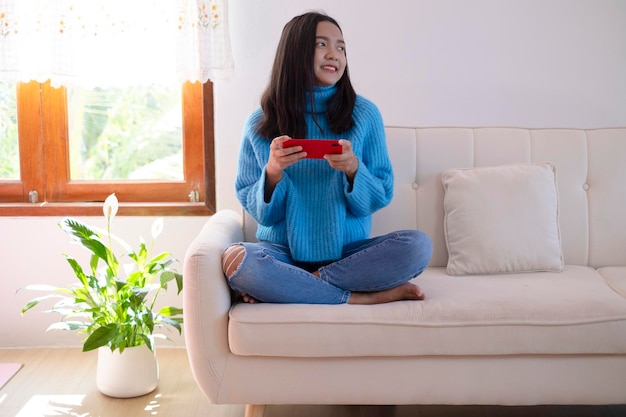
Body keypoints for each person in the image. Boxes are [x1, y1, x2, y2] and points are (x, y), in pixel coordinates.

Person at [222, 11, 432, 304]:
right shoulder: (261, 122)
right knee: (237, 259)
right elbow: (262, 213)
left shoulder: (364, 115)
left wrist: (353, 170)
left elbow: (381, 194)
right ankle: (359, 298)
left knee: (418, 246)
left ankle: (301, 287)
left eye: (341, 47)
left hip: (348, 254)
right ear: (295, 52)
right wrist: (272, 173)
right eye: (322, 44)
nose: (335, 54)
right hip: (283, 253)